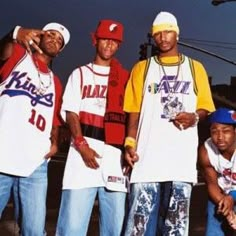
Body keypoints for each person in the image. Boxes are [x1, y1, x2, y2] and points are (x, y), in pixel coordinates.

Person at [123, 11, 215, 235]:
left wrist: (193, 117)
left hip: (179, 163)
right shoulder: (142, 69)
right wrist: (129, 143)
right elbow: (133, 112)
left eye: (168, 31)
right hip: (146, 161)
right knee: (138, 227)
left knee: (175, 228)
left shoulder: (195, 68)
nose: (163, 37)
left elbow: (205, 107)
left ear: (177, 34)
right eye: (158, 33)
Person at [56, 19, 129, 236]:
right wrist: (81, 144)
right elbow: (71, 112)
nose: (109, 45)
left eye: (114, 41)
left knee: (115, 228)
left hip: (115, 154)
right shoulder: (80, 74)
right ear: (95, 40)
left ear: (119, 46)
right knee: (72, 227)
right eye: (105, 39)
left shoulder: (125, 78)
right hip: (82, 153)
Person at [0, 22, 70, 235]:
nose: (54, 40)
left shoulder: (55, 82)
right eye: (50, 34)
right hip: (3, 154)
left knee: (34, 230)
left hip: (34, 165)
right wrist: (14, 33)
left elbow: (55, 121)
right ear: (38, 36)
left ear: (60, 51)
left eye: (60, 41)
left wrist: (55, 142)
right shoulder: (18, 56)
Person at [198, 107, 236, 235]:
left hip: (232, 194)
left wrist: (232, 197)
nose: (219, 137)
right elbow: (212, 184)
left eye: (226, 131)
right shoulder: (206, 150)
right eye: (214, 131)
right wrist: (227, 209)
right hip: (221, 193)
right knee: (214, 230)